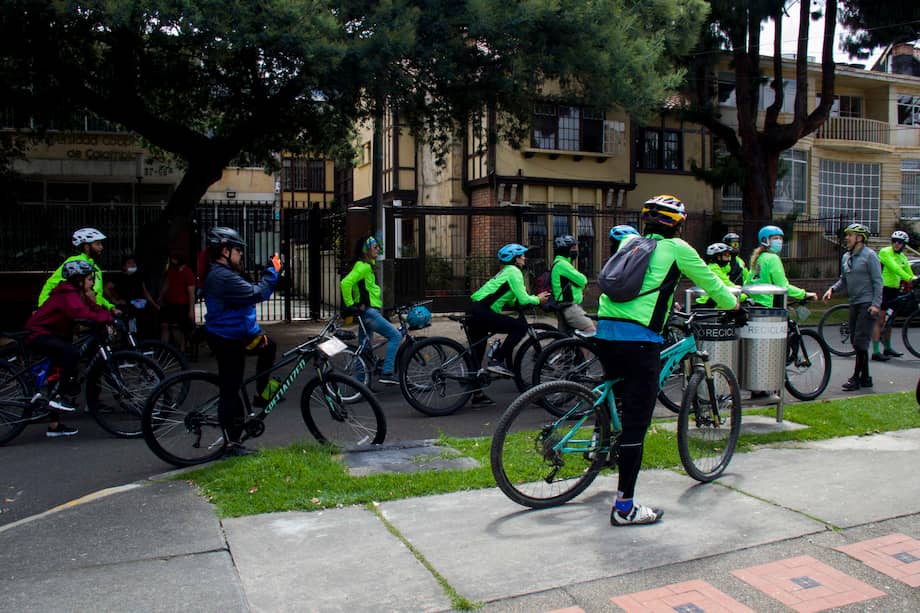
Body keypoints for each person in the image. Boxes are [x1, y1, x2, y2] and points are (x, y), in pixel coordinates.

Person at [594, 195, 739, 526]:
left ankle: (598, 443)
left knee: (615, 393)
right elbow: (712, 284)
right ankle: (624, 509)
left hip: (604, 329)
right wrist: (733, 304)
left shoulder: (630, 242)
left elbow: (633, 285)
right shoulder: (679, 249)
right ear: (678, 223)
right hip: (639, 341)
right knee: (636, 426)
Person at [203, 227, 281, 456]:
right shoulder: (222, 276)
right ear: (224, 251)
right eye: (238, 250)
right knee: (230, 391)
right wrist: (272, 272)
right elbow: (256, 294)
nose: (240, 255)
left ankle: (261, 393)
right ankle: (231, 444)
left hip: (238, 335)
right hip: (227, 339)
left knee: (270, 345)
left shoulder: (224, 272)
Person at [25, 260, 114, 437]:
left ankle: (54, 425)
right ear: (78, 280)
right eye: (89, 279)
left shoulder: (78, 294)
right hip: (40, 334)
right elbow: (80, 313)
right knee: (71, 353)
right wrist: (103, 320)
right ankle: (60, 397)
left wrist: (109, 317)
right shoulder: (67, 293)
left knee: (56, 374)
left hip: (55, 335)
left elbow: (93, 308)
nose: (92, 282)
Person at [467, 243, 550, 405]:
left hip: (474, 309)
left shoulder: (506, 271)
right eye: (522, 255)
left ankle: (476, 394)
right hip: (482, 311)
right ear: (515, 258)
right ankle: (498, 359)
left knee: (477, 353)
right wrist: (537, 299)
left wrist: (520, 304)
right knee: (520, 327)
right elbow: (524, 298)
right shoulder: (514, 272)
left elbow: (511, 299)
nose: (524, 258)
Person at [822, 223, 883, 391]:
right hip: (854, 303)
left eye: (850, 235)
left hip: (867, 304)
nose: (846, 238)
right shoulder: (846, 257)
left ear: (860, 238)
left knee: (860, 342)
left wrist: (876, 305)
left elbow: (878, 282)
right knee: (856, 342)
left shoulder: (870, 256)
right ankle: (866, 378)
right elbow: (844, 279)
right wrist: (832, 289)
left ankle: (856, 378)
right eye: (846, 235)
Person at [340, 236, 401, 386]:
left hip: (366, 312)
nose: (378, 249)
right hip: (369, 313)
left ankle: (361, 384)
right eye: (375, 247)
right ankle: (387, 372)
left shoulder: (364, 265)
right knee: (395, 336)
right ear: (366, 250)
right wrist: (350, 305)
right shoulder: (364, 266)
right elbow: (345, 283)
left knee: (364, 349)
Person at [38, 227, 120, 316]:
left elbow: (96, 295)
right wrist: (43, 307)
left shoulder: (95, 268)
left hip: (92, 313)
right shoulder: (74, 264)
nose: (101, 247)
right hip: (77, 314)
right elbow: (52, 284)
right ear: (86, 247)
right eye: (97, 244)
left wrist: (110, 307)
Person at [872, 230, 917, 361]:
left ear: (904, 244)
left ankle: (887, 348)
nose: (896, 244)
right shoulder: (885, 252)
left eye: (900, 242)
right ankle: (875, 352)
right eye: (894, 241)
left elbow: (908, 270)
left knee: (890, 320)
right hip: (883, 289)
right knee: (880, 320)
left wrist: (915, 278)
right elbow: (895, 268)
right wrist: (909, 278)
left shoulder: (903, 257)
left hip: (895, 290)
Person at [747, 226, 817, 307]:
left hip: (755, 305)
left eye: (780, 238)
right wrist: (804, 294)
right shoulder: (773, 258)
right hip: (770, 306)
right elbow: (782, 286)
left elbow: (748, 281)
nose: (779, 241)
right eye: (775, 238)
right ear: (765, 240)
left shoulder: (758, 258)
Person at [104, 254, 159, 338]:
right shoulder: (119, 277)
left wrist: (155, 305)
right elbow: (106, 288)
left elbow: (145, 292)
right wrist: (114, 300)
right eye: (129, 263)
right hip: (128, 308)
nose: (133, 265)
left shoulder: (139, 276)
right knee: (131, 330)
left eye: (134, 263)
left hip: (142, 307)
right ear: (124, 266)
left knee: (146, 327)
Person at [550, 235, 595, 336]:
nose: (576, 251)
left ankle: (561, 352)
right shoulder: (563, 265)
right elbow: (582, 280)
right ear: (565, 249)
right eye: (573, 248)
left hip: (562, 306)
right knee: (590, 330)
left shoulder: (560, 263)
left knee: (564, 338)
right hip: (569, 307)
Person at [158, 253, 197, 350]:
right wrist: (161, 296)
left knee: (178, 328)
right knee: (165, 326)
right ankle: (164, 349)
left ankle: (181, 350)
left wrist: (191, 310)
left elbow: (191, 293)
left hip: (181, 305)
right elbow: (167, 283)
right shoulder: (171, 271)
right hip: (169, 303)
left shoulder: (188, 273)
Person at [695, 242, 742, 307]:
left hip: (716, 302)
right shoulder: (714, 270)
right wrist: (745, 295)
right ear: (718, 256)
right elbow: (729, 287)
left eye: (729, 254)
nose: (729, 256)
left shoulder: (722, 269)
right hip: (709, 305)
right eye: (726, 254)